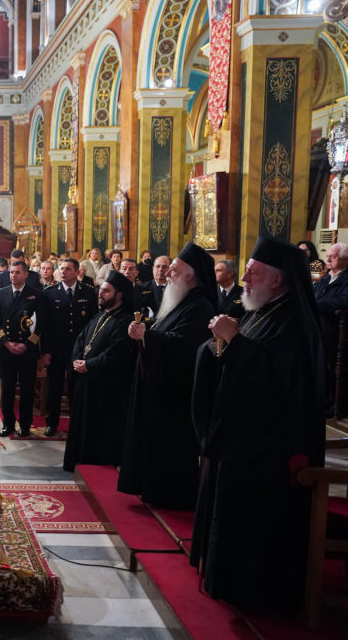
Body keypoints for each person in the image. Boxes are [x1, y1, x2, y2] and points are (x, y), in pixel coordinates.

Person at [191, 237, 325, 611]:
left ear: (278, 280)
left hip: (269, 449)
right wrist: (219, 346)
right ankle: (225, 578)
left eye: (253, 272)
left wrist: (234, 341)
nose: (244, 278)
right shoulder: (259, 311)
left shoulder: (295, 323)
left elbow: (277, 384)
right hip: (241, 440)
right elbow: (241, 363)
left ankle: (251, 589)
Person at [118, 242, 217, 510]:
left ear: (190, 275)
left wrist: (147, 335)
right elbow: (166, 333)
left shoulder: (200, 306)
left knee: (172, 447)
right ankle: (151, 488)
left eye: (174, 270)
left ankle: (168, 494)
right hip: (162, 389)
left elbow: (184, 345)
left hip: (178, 393)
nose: (168, 274)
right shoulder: (180, 301)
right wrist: (145, 332)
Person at [63, 271, 136, 471]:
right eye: (100, 290)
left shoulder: (124, 321)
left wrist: (90, 365)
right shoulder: (99, 316)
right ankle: (78, 461)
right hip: (85, 382)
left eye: (106, 291)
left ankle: (94, 467)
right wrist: (77, 360)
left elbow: (116, 354)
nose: (100, 294)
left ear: (119, 295)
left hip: (105, 388)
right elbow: (81, 340)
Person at [42, 257, 97, 437]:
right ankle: (52, 423)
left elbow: (92, 324)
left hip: (79, 350)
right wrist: (46, 351)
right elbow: (46, 326)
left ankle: (76, 423)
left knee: (76, 388)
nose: (63, 272)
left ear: (77, 271)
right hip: (57, 349)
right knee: (54, 387)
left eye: (67, 269)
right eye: (62, 269)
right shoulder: (50, 293)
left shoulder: (88, 293)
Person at [0, 261, 46, 438]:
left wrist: (26, 344)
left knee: (27, 390)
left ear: (26, 274)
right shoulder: (1, 293)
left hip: (27, 350)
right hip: (7, 349)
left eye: (17, 272)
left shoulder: (35, 295)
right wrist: (7, 342)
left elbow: (41, 325)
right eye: (11, 272)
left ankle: (25, 425)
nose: (13, 275)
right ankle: (7, 424)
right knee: (7, 390)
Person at [313, 242, 348, 415]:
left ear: (345, 259)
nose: (327, 259)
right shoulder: (326, 278)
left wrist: (318, 305)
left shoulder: (346, 279)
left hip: (334, 332)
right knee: (318, 368)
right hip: (318, 329)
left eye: (332, 256)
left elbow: (342, 302)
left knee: (330, 368)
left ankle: (331, 404)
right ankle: (318, 401)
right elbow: (312, 297)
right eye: (328, 255)